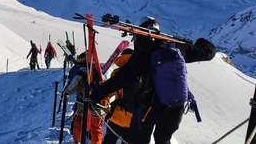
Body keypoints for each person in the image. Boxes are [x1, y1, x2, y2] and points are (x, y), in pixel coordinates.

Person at [90, 16, 216, 144]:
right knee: (163, 140)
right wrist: (200, 41)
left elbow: (120, 79)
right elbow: (209, 53)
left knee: (139, 140)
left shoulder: (142, 53)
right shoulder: (177, 47)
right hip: (175, 107)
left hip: (149, 108)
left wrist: (96, 94)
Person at [64, 52, 105, 144]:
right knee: (96, 129)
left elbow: (70, 89)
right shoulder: (100, 72)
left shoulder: (81, 74)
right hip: (98, 107)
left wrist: (66, 90)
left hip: (83, 106)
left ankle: (77, 141)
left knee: (79, 123)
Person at [101, 48, 136, 144]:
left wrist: (105, 101)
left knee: (109, 140)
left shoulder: (117, 73)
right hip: (134, 118)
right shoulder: (142, 72)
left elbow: (112, 92)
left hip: (118, 116)